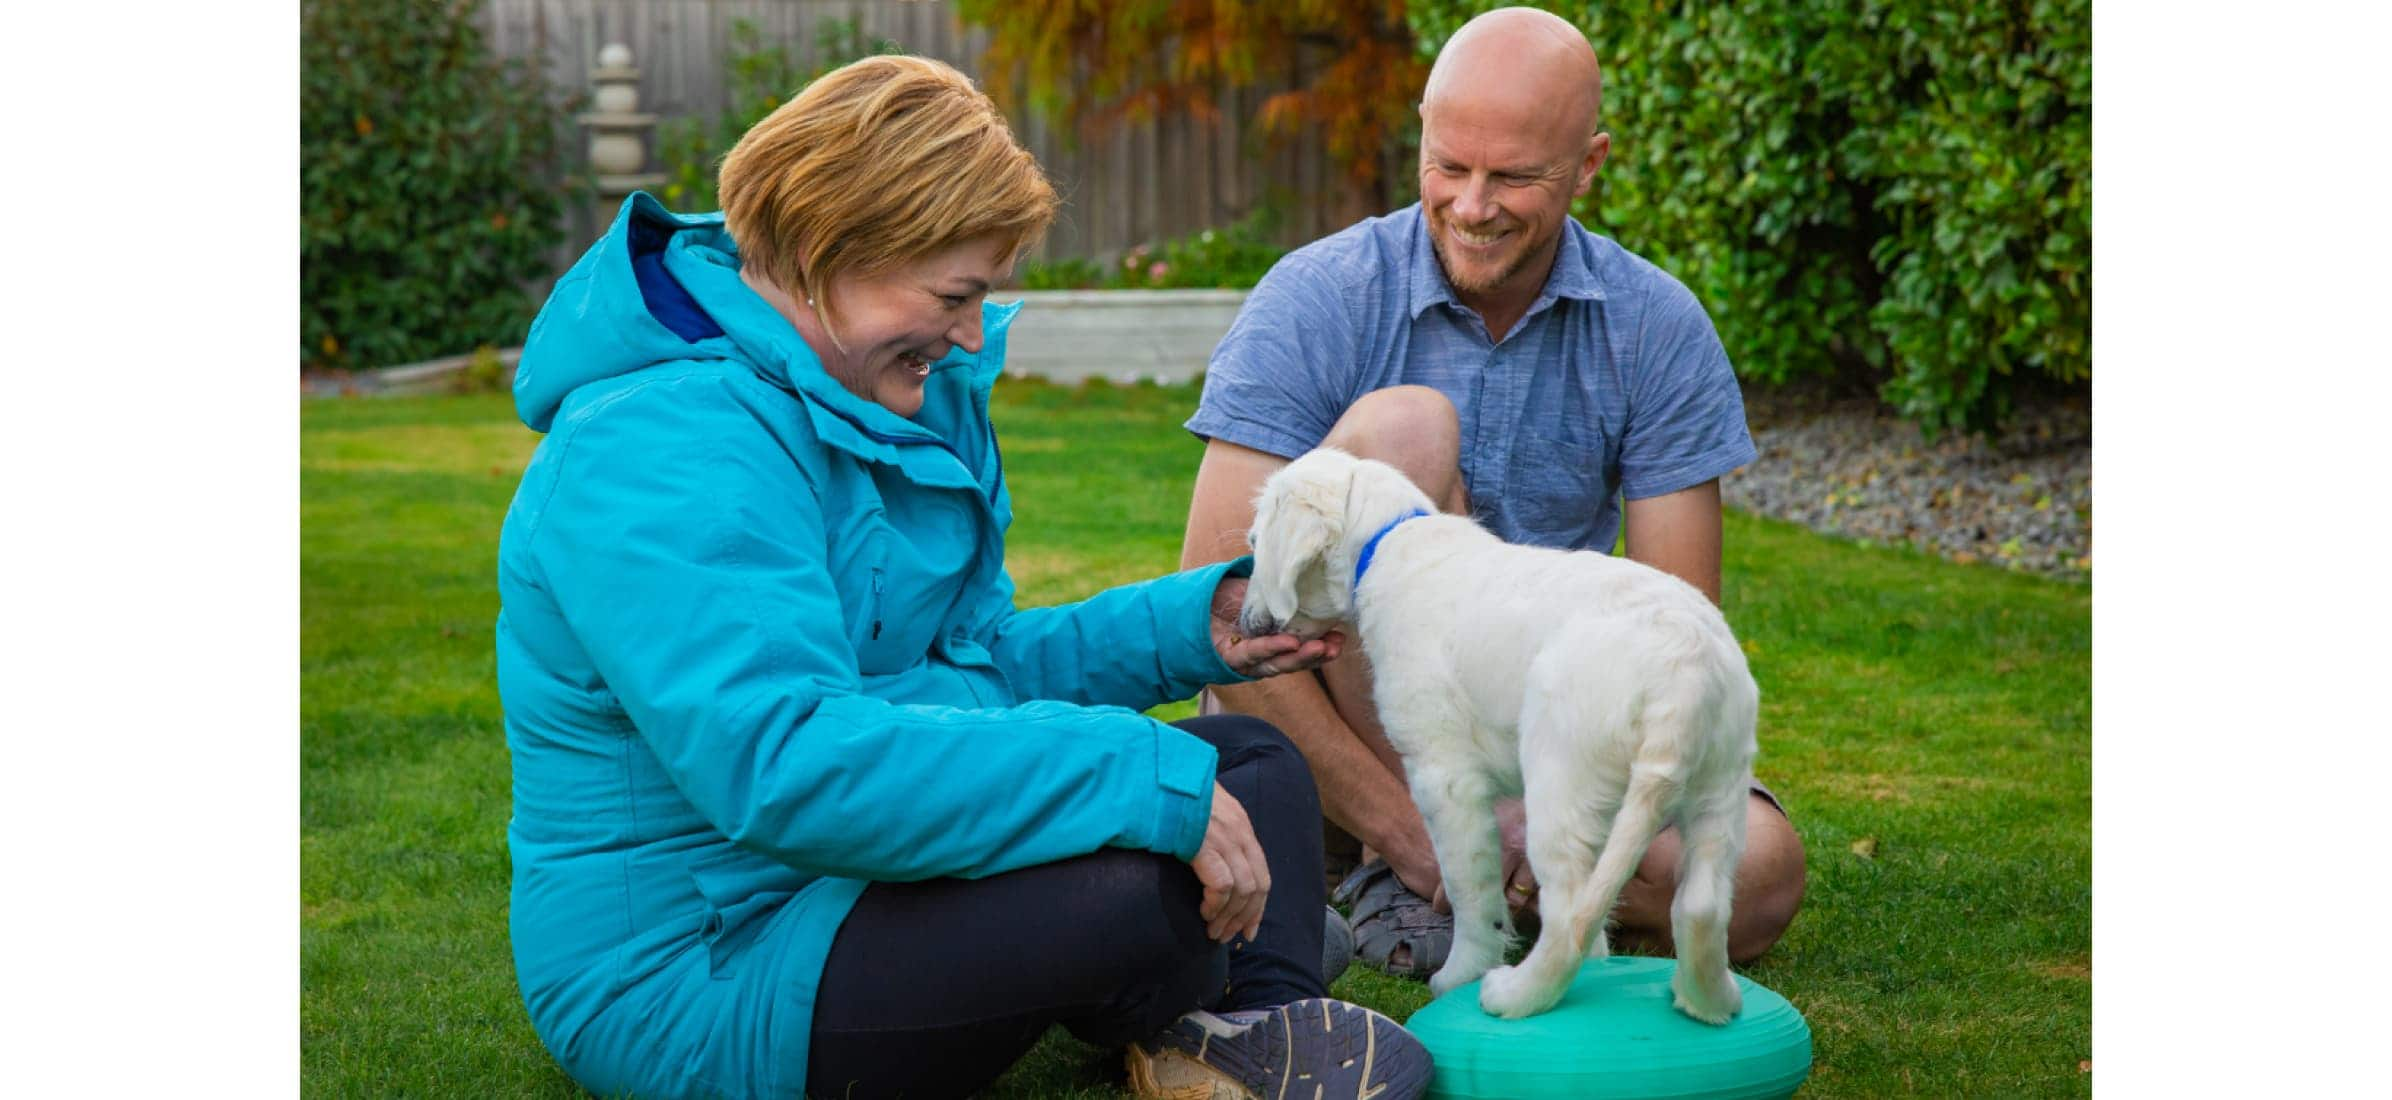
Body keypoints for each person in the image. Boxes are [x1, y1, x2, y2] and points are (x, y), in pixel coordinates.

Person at [496, 56, 1432, 1100]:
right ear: (826, 250)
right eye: (955, 293)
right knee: (1137, 861)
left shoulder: (884, 383)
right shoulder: (657, 447)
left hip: (864, 868)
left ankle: (1239, 1019)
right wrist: (1131, 778)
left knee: (1252, 763)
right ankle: (1198, 976)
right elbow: (785, 764)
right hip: (713, 961)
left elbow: (971, 668)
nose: (972, 333)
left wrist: (1182, 628)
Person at [1178, 7, 1808, 981]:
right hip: (1334, 735)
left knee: (1760, 873)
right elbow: (1215, 610)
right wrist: (1417, 824)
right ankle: (1406, 857)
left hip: (1537, 730)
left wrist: (1554, 800)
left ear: (1588, 164)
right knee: (1404, 433)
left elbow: (1670, 623)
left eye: (1513, 176)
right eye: (1447, 166)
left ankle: (1472, 880)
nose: (1472, 205)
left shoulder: (1654, 328)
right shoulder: (1318, 296)